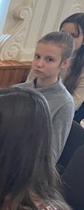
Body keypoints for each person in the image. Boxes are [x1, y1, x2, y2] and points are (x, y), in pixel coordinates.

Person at [18, 31, 75, 162]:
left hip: (29, 166)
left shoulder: (64, 103)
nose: (39, 64)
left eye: (49, 59)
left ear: (64, 63)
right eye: (37, 56)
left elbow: (51, 156)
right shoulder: (18, 90)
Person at [28, 13, 84, 123]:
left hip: (57, 117)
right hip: (31, 109)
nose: (66, 40)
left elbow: (73, 104)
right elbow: (29, 85)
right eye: (63, 34)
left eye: (73, 36)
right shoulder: (46, 54)